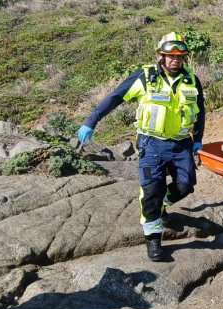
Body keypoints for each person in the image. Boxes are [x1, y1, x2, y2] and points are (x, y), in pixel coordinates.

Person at [77, 32, 205, 262]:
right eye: (170, 56)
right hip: (152, 144)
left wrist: (198, 139)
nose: (176, 60)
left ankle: (164, 203)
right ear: (161, 56)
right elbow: (115, 97)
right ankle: (153, 237)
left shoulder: (191, 80)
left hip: (181, 144)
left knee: (186, 185)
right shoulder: (145, 77)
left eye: (180, 56)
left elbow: (201, 111)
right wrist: (91, 121)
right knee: (151, 191)